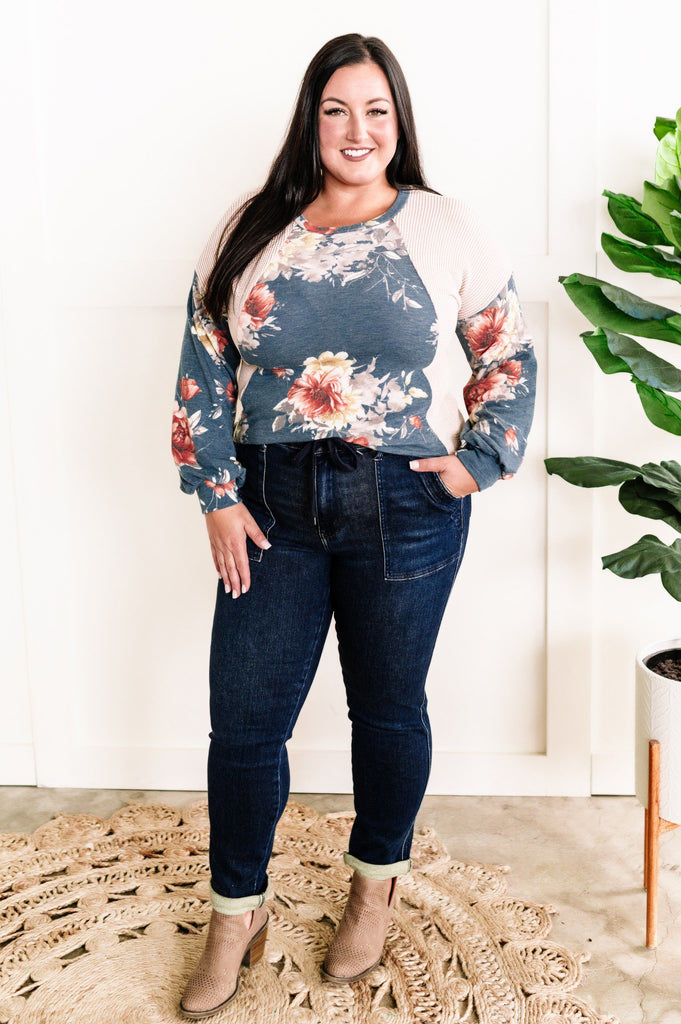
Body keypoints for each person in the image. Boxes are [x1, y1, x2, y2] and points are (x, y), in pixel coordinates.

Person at [172, 32, 536, 1019]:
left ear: (398, 122)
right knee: (245, 723)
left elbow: (507, 352)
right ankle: (236, 912)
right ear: (312, 120)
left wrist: (477, 460)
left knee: (386, 709)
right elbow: (204, 358)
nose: (357, 129)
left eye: (376, 110)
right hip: (271, 505)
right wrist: (216, 492)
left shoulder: (446, 225)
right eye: (337, 109)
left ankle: (375, 884)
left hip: (403, 504)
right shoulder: (250, 225)